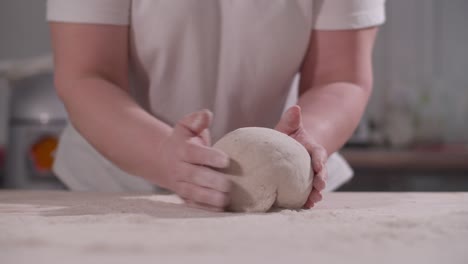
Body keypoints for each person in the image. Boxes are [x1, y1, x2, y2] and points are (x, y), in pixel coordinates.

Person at [47, 0, 385, 211]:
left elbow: (341, 78)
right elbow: (87, 76)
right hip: (116, 192)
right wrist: (163, 154)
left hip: (275, 205)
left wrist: (300, 143)